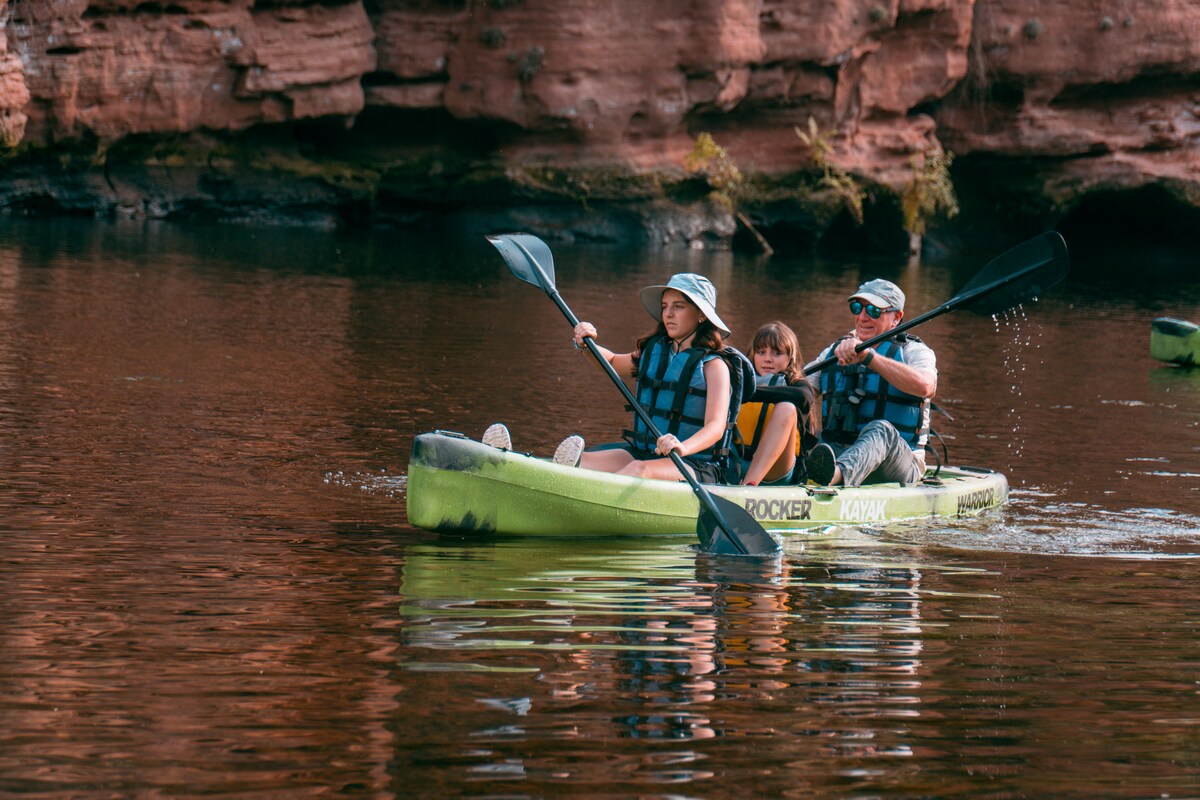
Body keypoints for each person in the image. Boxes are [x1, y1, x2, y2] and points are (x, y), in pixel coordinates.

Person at [487, 273, 752, 484]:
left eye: (678, 307)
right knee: (579, 460)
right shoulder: (655, 351)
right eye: (665, 307)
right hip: (645, 452)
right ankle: (509, 468)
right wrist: (586, 345)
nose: (668, 314)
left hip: (696, 464)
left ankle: (579, 497)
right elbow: (612, 362)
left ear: (702, 315)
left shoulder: (715, 366)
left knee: (638, 470)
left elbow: (716, 427)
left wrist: (682, 446)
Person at [804, 278, 936, 487]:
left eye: (874, 311)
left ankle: (833, 476)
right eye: (857, 308)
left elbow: (926, 386)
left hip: (897, 464)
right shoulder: (836, 351)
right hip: (840, 451)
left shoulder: (914, 351)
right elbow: (802, 389)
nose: (862, 317)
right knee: (799, 428)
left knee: (881, 430)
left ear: (896, 317)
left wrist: (869, 358)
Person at [732, 321, 821, 486]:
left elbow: (803, 398)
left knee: (787, 408)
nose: (767, 359)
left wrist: (749, 394)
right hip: (735, 460)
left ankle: (749, 485)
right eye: (761, 352)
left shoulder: (797, 385)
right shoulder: (739, 379)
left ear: (790, 358)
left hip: (776, 470)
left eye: (776, 353)